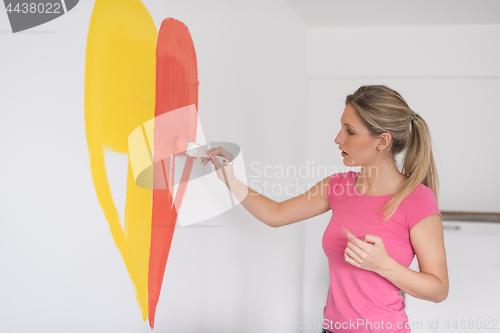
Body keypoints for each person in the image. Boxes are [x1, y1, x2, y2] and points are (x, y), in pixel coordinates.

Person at [201, 85, 448, 333]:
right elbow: (275, 214)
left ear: (382, 141)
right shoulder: (337, 186)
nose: (338, 138)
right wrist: (230, 179)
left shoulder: (417, 199)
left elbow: (438, 289)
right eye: (341, 127)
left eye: (350, 131)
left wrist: (383, 265)